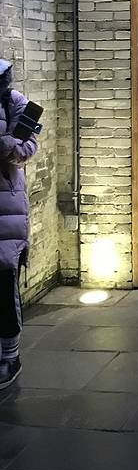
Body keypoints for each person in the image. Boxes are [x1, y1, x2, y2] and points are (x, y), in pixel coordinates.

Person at [0, 59, 38, 389]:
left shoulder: (12, 101)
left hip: (5, 207)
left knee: (3, 281)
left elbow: (26, 148)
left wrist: (6, 144)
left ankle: (9, 356)